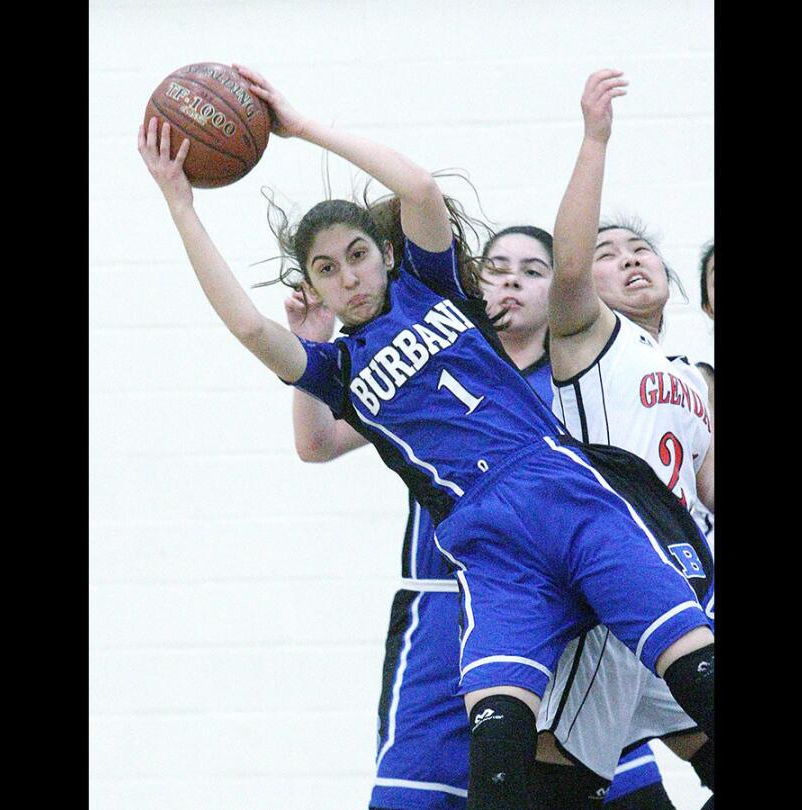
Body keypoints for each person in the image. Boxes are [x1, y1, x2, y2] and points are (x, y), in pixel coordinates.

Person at [138, 64, 714, 810]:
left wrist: (301, 125)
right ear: (311, 287)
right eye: (325, 269)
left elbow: (418, 192)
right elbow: (249, 328)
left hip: (565, 492)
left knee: (694, 674)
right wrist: (180, 204)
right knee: (499, 742)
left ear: (383, 255)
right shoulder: (337, 368)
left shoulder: (431, 287)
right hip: (486, 542)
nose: (347, 276)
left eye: (357, 254)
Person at [285, 223, 558, 810]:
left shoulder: (573, 378)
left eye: (533, 269)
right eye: (498, 266)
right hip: (441, 601)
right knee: (413, 795)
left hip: (545, 597)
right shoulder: (413, 361)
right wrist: (313, 339)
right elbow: (317, 444)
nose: (511, 278)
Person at [540, 69, 719, 807]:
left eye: (641, 248)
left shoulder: (692, 374)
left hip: (678, 586)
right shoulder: (587, 336)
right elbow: (571, 263)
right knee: (551, 782)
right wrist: (595, 139)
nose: (630, 257)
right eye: (612, 252)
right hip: (611, 583)